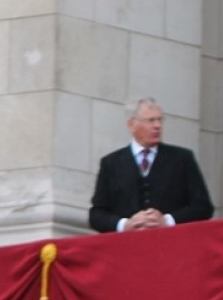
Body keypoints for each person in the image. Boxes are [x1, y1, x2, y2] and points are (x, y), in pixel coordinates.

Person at [88, 98, 215, 233]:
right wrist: (125, 225)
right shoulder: (111, 164)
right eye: (151, 120)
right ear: (132, 124)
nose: (157, 125)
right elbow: (96, 215)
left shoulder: (182, 159)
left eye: (160, 120)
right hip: (126, 248)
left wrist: (168, 221)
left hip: (171, 246)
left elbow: (203, 207)